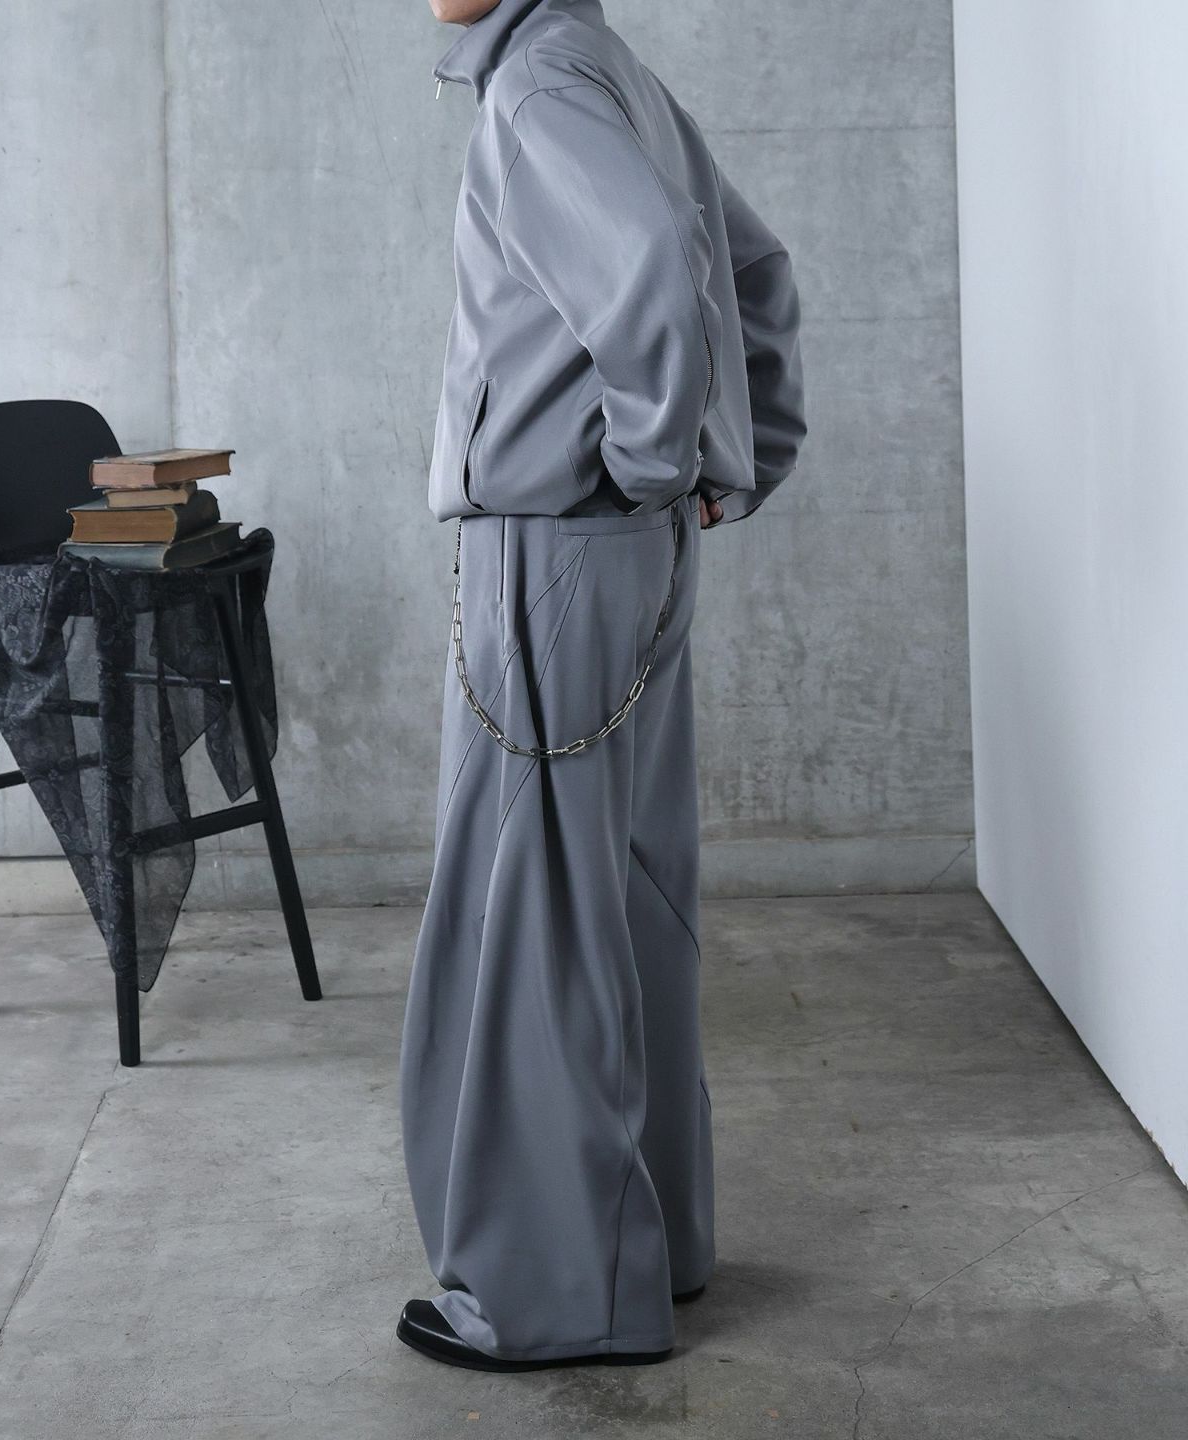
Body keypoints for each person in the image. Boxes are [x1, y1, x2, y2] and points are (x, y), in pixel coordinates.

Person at [397, 0, 806, 1372]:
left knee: (531, 919)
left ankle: (553, 1299)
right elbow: (753, 269)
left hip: (554, 547)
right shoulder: (605, 67)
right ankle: (656, 1246)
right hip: (628, 548)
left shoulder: (536, 84)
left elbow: (659, 278)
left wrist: (649, 464)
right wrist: (725, 465)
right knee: (628, 899)